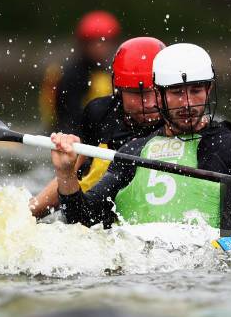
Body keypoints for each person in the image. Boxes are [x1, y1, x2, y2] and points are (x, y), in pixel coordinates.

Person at [50, 43, 231, 233]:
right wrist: (66, 175)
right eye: (177, 93)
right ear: (158, 95)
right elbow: (81, 221)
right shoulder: (133, 152)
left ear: (209, 91)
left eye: (196, 91)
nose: (187, 103)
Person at [30, 37, 166, 218]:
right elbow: (73, 169)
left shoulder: (178, 123)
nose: (149, 103)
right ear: (119, 89)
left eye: (155, 91)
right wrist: (26, 215)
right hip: (92, 212)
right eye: (136, 94)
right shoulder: (100, 113)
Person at [39, 10, 121, 134]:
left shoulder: (107, 73)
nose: (100, 48)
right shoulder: (72, 75)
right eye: (95, 42)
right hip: (65, 135)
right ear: (83, 44)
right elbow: (68, 119)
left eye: (105, 42)